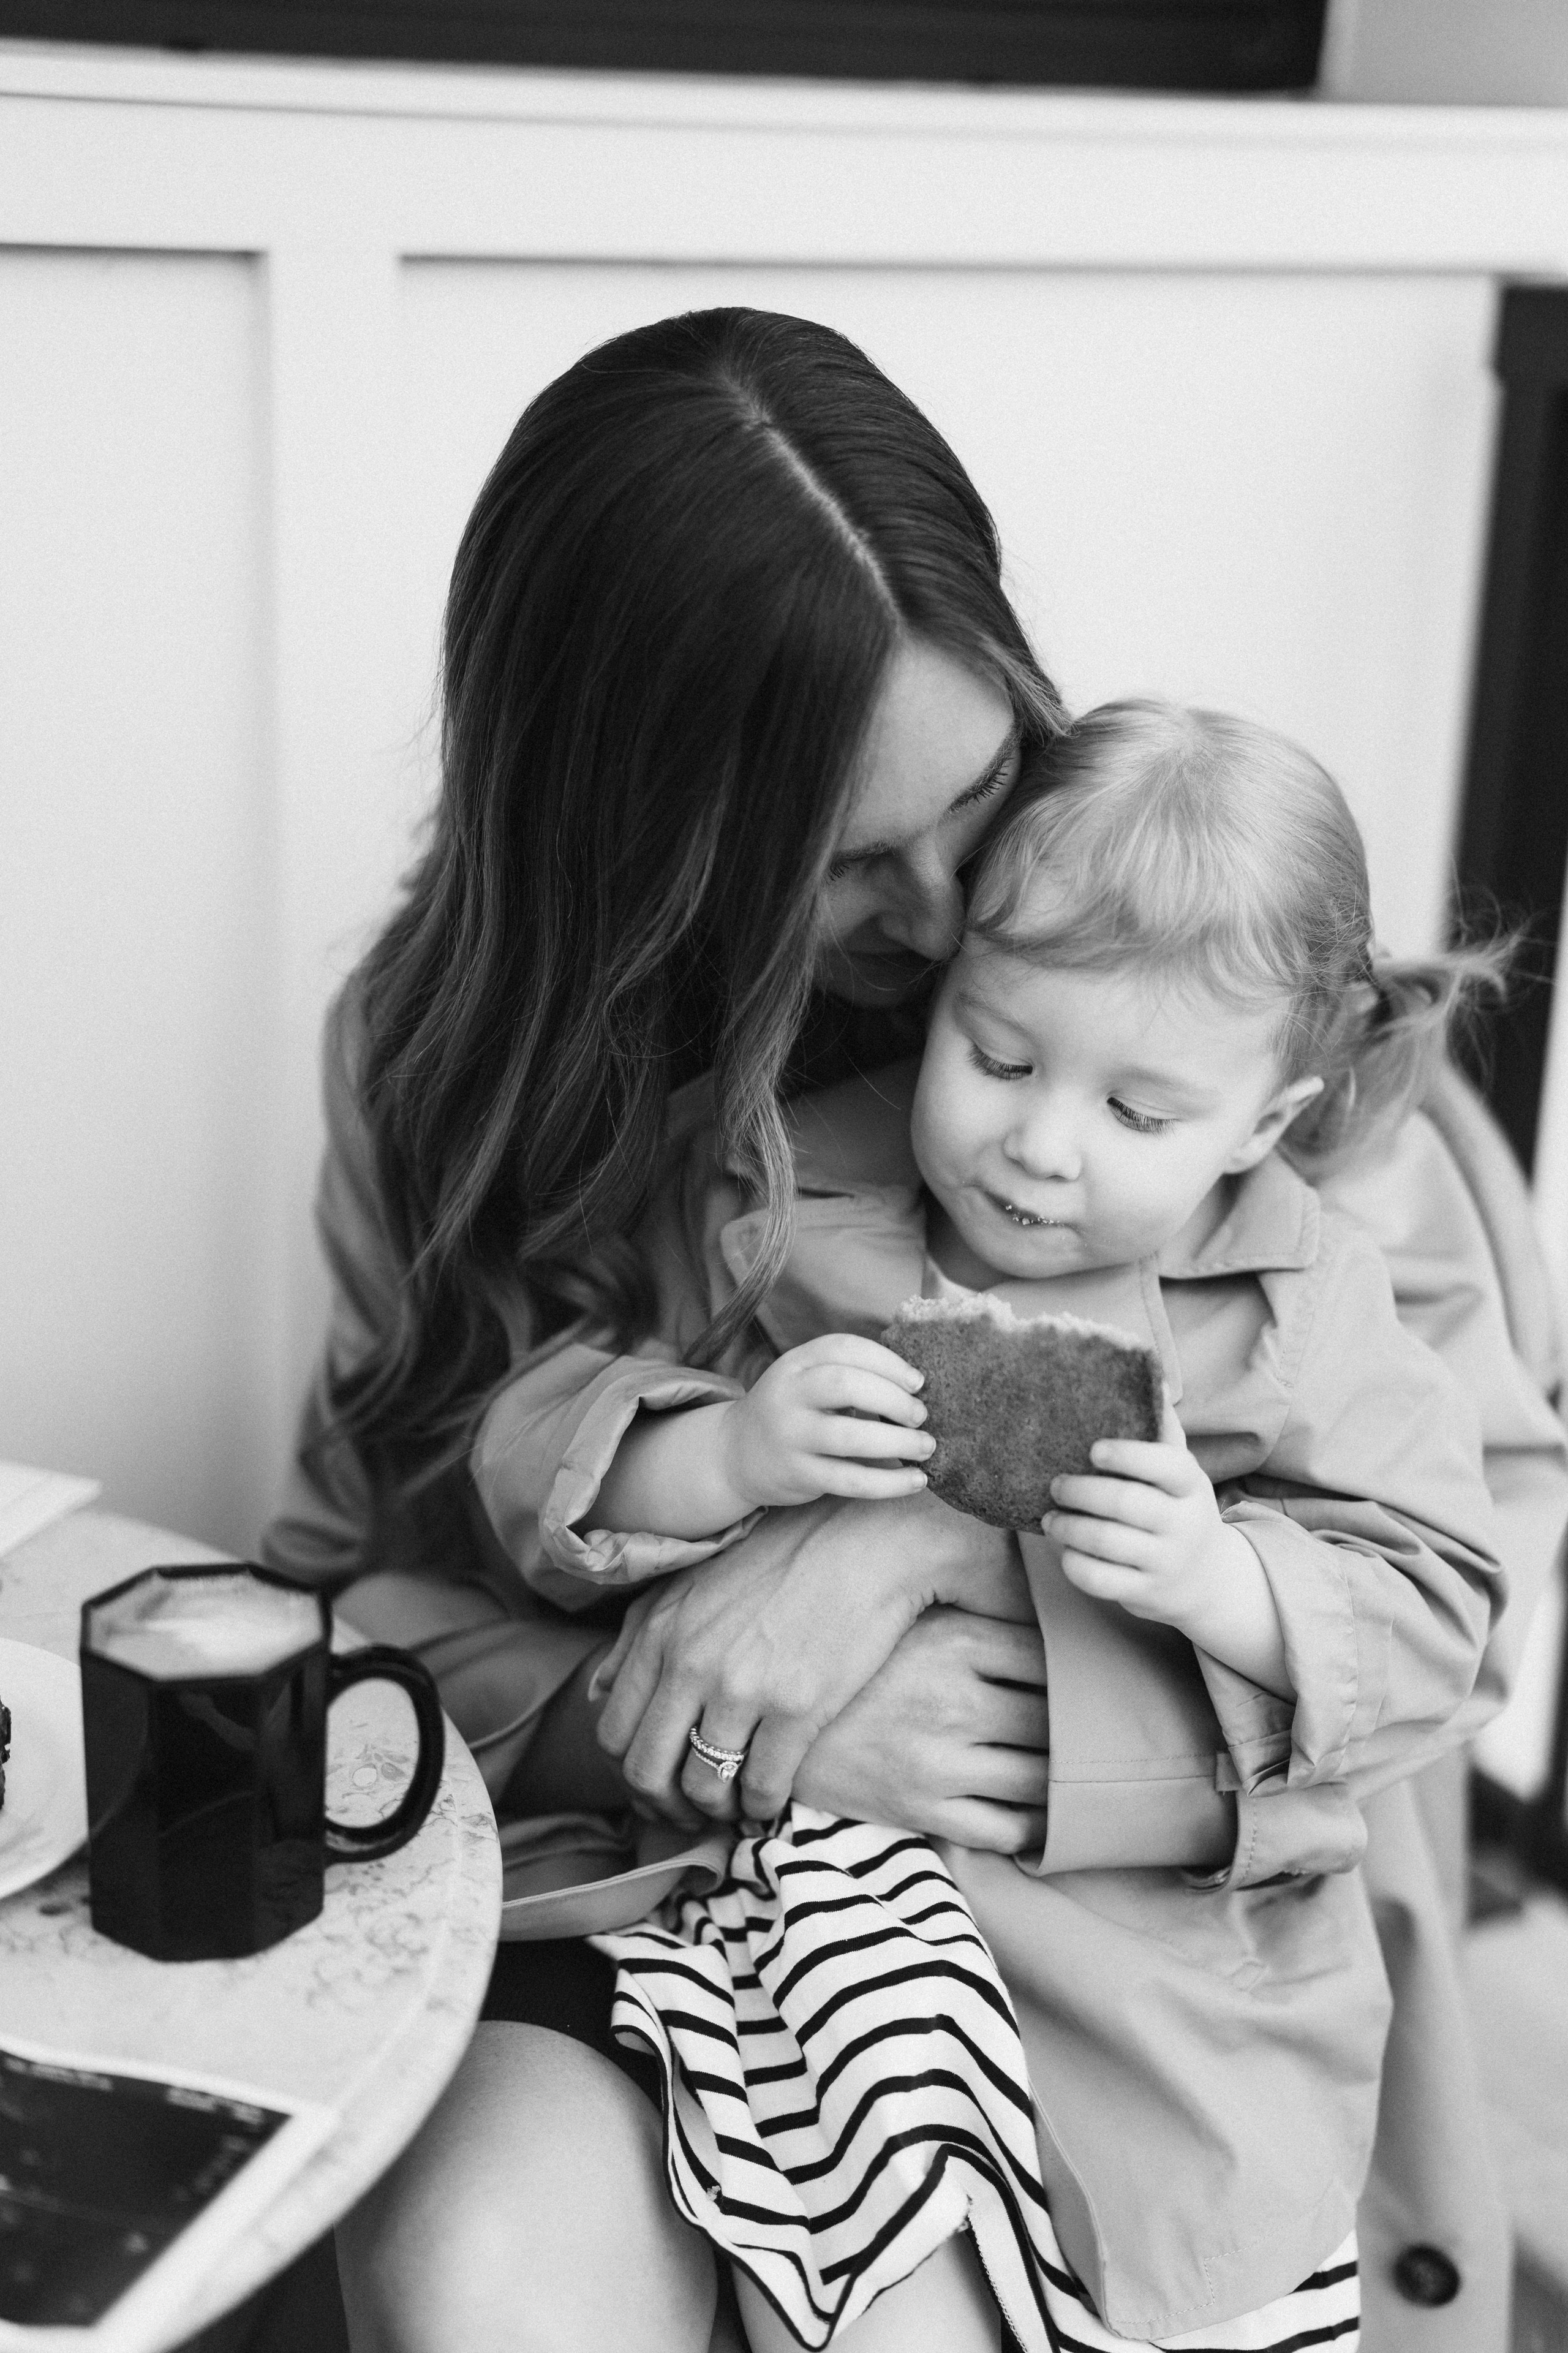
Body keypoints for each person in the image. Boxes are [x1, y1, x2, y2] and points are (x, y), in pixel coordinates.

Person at [260, 309, 1568, 2353]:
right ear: (646, 857)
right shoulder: (466, 1077)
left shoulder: (1192, 996)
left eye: (984, 795)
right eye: (857, 862)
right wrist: (686, 1694)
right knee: (486, 2269)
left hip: (1149, 1929)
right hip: (661, 1875)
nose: (963, 913)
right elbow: (350, 1592)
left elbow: (1448, 1606)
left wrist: (935, 1547)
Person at [499, 702, 1502, 2352]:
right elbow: (535, 1435)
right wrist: (723, 1453)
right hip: (767, 1900)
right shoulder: (769, 1184)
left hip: (1142, 1960)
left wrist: (1225, 1578)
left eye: (1139, 1115)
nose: (1040, 1146)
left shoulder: (1306, 1305)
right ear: (945, 983)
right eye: (1001, 1055)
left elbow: (1436, 1605)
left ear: (1261, 1124)